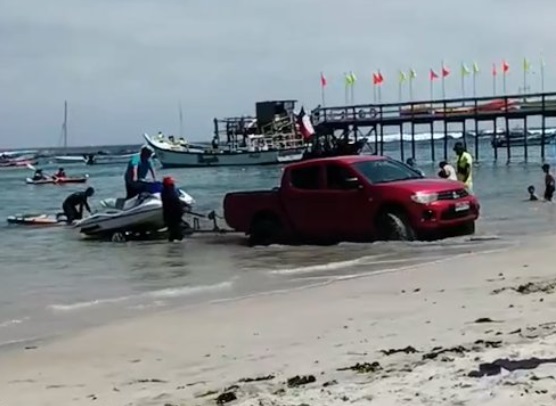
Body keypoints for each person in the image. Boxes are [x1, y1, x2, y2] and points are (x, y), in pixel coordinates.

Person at [160, 176, 184, 242]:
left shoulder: (164, 192)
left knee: (171, 226)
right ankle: (177, 238)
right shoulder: (172, 191)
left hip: (168, 211)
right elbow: (177, 202)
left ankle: (173, 238)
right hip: (175, 211)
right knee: (176, 225)